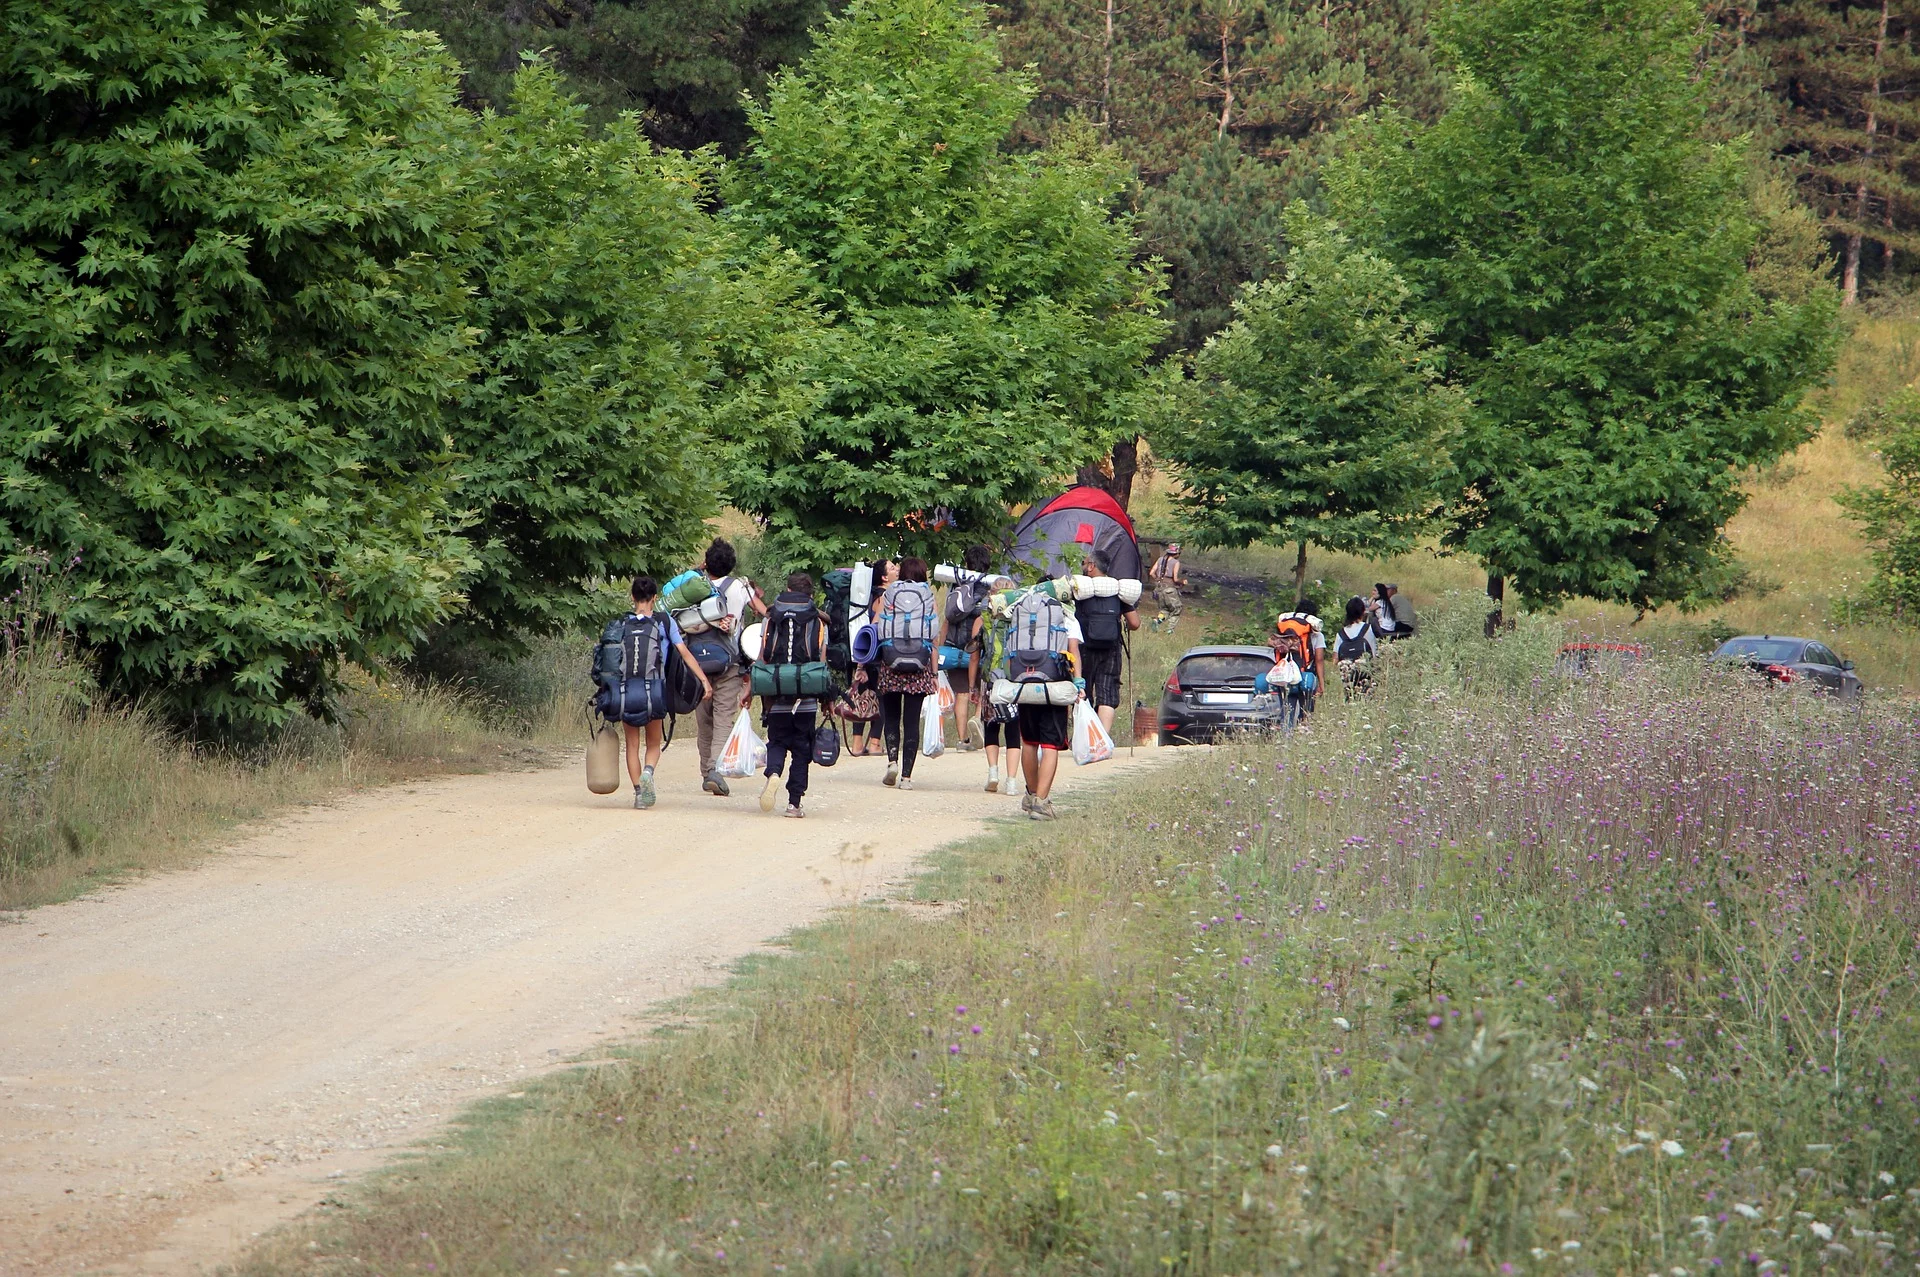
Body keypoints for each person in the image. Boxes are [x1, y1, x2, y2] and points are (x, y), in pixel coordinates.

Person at [617, 575, 712, 810]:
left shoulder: (621, 624)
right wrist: (704, 681)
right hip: (655, 690)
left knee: (631, 744)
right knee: (652, 744)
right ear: (655, 598)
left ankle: (639, 793)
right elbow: (685, 654)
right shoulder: (664, 621)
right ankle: (648, 772)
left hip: (626, 691)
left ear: (633, 597)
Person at [695, 538, 766, 797]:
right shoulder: (739, 585)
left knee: (704, 719)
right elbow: (762, 611)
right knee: (723, 716)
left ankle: (706, 772)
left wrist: (699, 567)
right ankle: (715, 770)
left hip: (697, 662)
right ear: (732, 564)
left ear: (707, 562)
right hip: (729, 661)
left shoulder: (694, 584)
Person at [758, 571, 827, 818]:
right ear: (809, 595)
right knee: (801, 748)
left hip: (776, 691)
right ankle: (794, 804)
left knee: (776, 740)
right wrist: (827, 700)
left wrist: (752, 690)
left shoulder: (771, 617)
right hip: (806, 696)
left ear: (787, 590)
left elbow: (763, 656)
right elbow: (821, 660)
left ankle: (774, 773)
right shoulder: (818, 621)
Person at [1016, 586, 1082, 821]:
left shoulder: (1022, 611)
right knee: (1050, 745)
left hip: (1024, 682)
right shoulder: (1065, 615)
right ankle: (1041, 803)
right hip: (1054, 685)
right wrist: (1079, 683)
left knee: (1030, 742)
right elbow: (1073, 650)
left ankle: (1032, 795)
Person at [876, 557, 937, 790]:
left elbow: (878, 625)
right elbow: (933, 638)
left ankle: (892, 761)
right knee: (911, 721)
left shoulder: (890, 593)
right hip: (919, 666)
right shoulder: (928, 597)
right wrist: (934, 673)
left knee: (891, 717)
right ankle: (907, 778)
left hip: (891, 662)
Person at [1076, 552, 1140, 736]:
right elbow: (1134, 623)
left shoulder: (1080, 591)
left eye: (1084, 562)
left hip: (1084, 648)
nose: (1083, 565)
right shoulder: (1118, 591)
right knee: (1108, 693)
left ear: (1091, 566)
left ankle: (1084, 737)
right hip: (1111, 649)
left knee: (1083, 691)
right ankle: (1103, 739)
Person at [972, 575, 1022, 797]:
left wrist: (973, 686)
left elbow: (974, 655)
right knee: (1013, 730)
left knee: (991, 726)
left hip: (990, 679)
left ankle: (993, 773)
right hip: (1014, 679)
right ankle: (1011, 782)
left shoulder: (983, 618)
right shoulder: (1019, 617)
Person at [945, 544, 994, 751]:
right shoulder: (991, 587)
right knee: (982, 690)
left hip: (956, 648)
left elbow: (947, 619)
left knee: (962, 694)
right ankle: (977, 719)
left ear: (967, 563)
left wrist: (942, 645)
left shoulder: (956, 587)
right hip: (981, 649)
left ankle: (962, 740)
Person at [1270, 598, 1326, 726]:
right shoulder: (1317, 635)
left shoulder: (1284, 632)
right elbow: (1319, 660)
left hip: (1284, 676)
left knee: (1287, 711)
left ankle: (1286, 738)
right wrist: (1321, 684)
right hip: (1305, 677)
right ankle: (1303, 734)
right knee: (1306, 712)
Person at [1334, 595, 1379, 696]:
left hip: (1348, 675)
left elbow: (1335, 659)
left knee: (1350, 698)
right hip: (1367, 672)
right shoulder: (1369, 629)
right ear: (1363, 612)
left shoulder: (1341, 634)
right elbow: (1375, 652)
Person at [1149, 543, 1187, 630]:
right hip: (1169, 589)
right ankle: (1170, 629)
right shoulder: (1176, 562)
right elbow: (1175, 578)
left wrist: (1158, 580)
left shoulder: (1160, 559)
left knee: (1165, 609)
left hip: (1158, 588)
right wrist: (1183, 582)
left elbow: (1151, 573)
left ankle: (1157, 621)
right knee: (1177, 609)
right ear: (1177, 553)